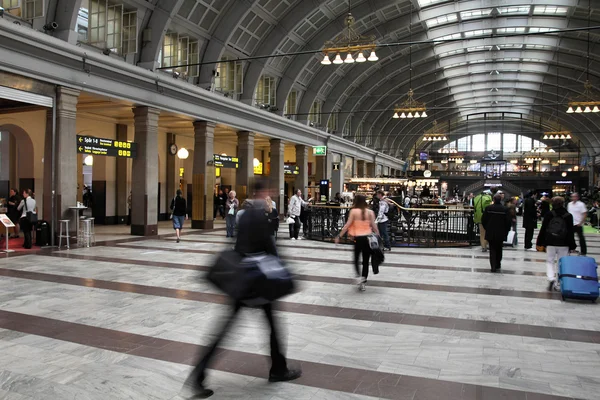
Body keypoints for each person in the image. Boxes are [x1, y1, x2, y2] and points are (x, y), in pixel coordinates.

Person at [187, 181, 301, 398]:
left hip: (243, 281)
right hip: (258, 283)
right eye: (267, 191)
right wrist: (284, 273)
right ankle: (278, 369)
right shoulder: (259, 215)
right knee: (271, 328)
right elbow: (271, 248)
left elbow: (238, 246)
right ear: (262, 192)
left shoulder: (244, 214)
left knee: (226, 330)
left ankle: (198, 375)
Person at [335, 194, 380, 291]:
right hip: (368, 238)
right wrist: (378, 236)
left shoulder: (353, 212)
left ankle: (359, 276)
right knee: (365, 261)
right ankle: (363, 282)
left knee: (356, 259)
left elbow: (347, 225)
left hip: (358, 239)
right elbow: (374, 226)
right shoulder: (370, 212)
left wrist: (339, 236)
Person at [537, 196, 576, 291]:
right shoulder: (568, 216)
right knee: (561, 263)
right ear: (563, 204)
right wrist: (572, 245)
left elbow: (543, 229)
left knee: (550, 261)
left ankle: (551, 278)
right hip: (564, 243)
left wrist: (540, 241)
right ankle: (558, 283)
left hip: (550, 241)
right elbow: (571, 231)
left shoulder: (549, 214)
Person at [482, 193, 511, 272]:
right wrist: (506, 231)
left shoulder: (488, 208)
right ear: (500, 199)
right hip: (501, 232)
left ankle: (493, 266)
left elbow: (484, 220)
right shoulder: (505, 209)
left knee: (492, 249)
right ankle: (498, 263)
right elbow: (508, 222)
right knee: (499, 248)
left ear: (493, 200)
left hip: (491, 232)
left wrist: (487, 228)